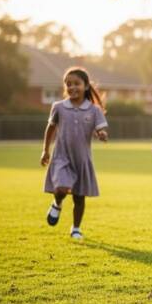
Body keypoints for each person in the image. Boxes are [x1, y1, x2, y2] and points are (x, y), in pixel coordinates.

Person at [41, 67, 108, 240]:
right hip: (61, 157)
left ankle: (76, 228)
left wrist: (102, 134)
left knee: (79, 197)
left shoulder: (94, 110)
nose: (72, 87)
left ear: (86, 86)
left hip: (82, 160)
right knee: (61, 189)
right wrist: (45, 150)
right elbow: (50, 128)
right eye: (68, 84)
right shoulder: (59, 107)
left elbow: (101, 129)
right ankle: (57, 203)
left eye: (76, 83)